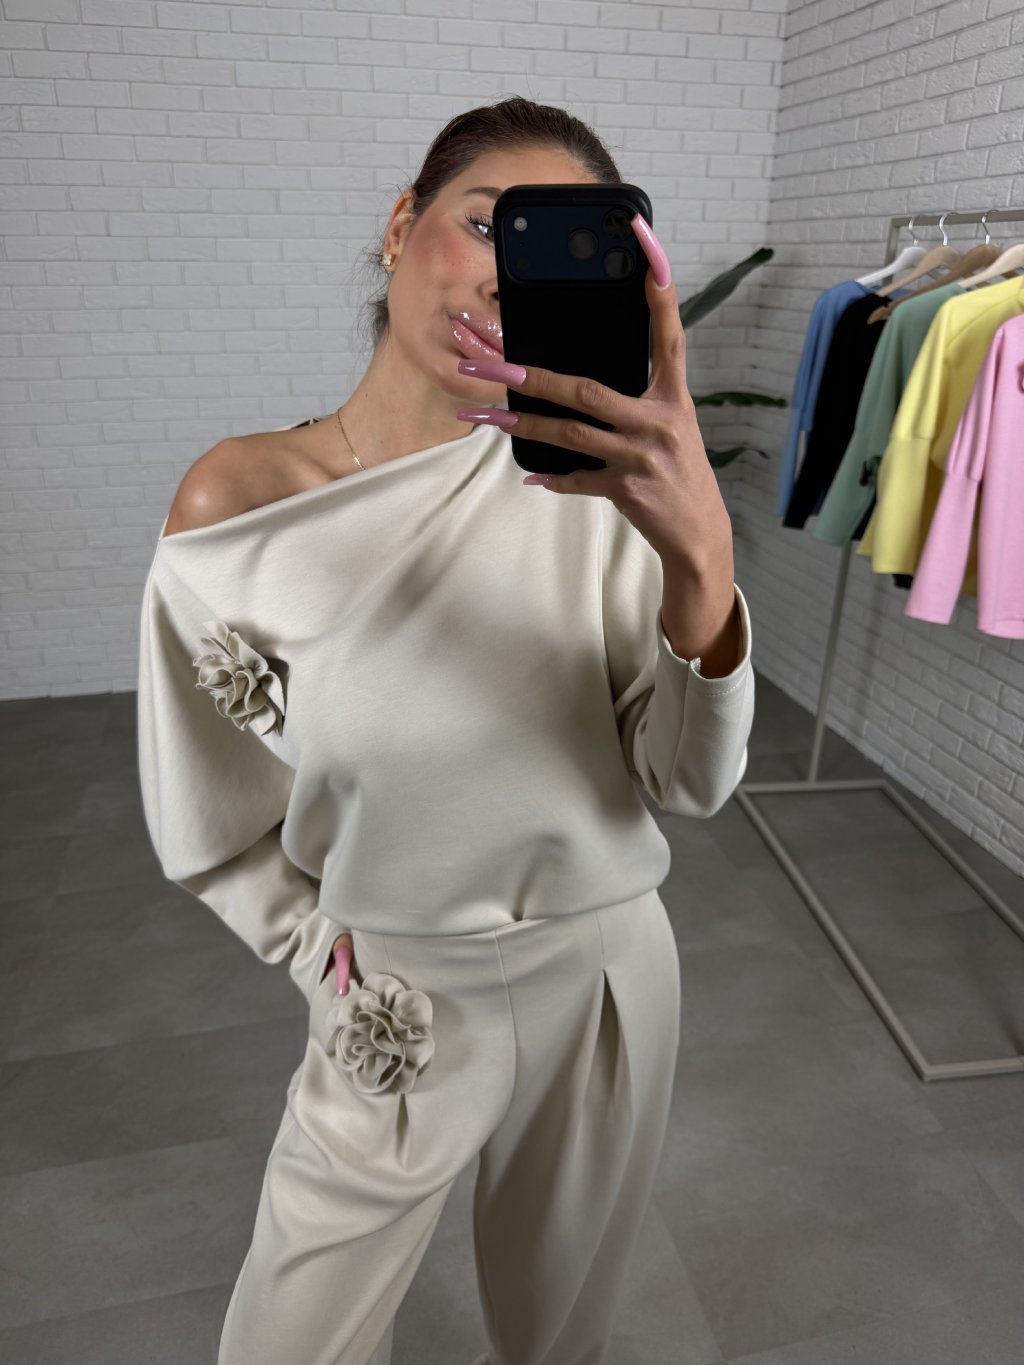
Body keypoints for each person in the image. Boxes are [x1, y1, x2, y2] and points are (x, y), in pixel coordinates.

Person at [138, 96, 755, 1365]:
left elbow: (687, 780)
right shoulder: (236, 500)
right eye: (485, 224)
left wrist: (701, 558)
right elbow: (209, 802)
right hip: (394, 994)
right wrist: (319, 957)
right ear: (398, 225)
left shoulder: (599, 490)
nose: (501, 278)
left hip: (604, 975)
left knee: (559, 1336)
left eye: (556, 256)